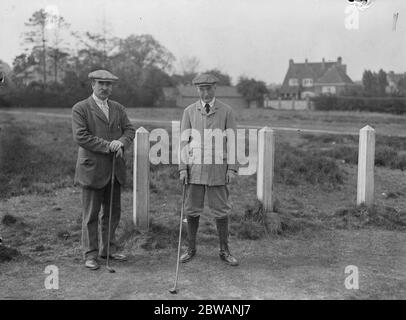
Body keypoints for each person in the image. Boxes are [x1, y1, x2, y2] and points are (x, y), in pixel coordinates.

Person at [72, 70, 135, 270]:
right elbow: (81, 136)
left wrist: (121, 142)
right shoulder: (81, 108)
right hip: (92, 170)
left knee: (112, 213)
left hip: (115, 171)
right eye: (101, 83)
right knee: (90, 215)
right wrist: (109, 145)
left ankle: (108, 249)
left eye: (109, 84)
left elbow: (129, 130)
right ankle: (90, 254)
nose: (105, 88)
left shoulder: (118, 108)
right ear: (92, 85)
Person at [178, 73, 239, 266]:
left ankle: (224, 250)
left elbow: (233, 141)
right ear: (197, 90)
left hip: (218, 169)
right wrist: (182, 168)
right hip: (195, 167)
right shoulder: (189, 111)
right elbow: (183, 141)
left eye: (208, 88)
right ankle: (191, 248)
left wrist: (232, 168)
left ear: (215, 88)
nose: (205, 93)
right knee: (192, 209)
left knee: (221, 210)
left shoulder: (226, 111)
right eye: (201, 89)